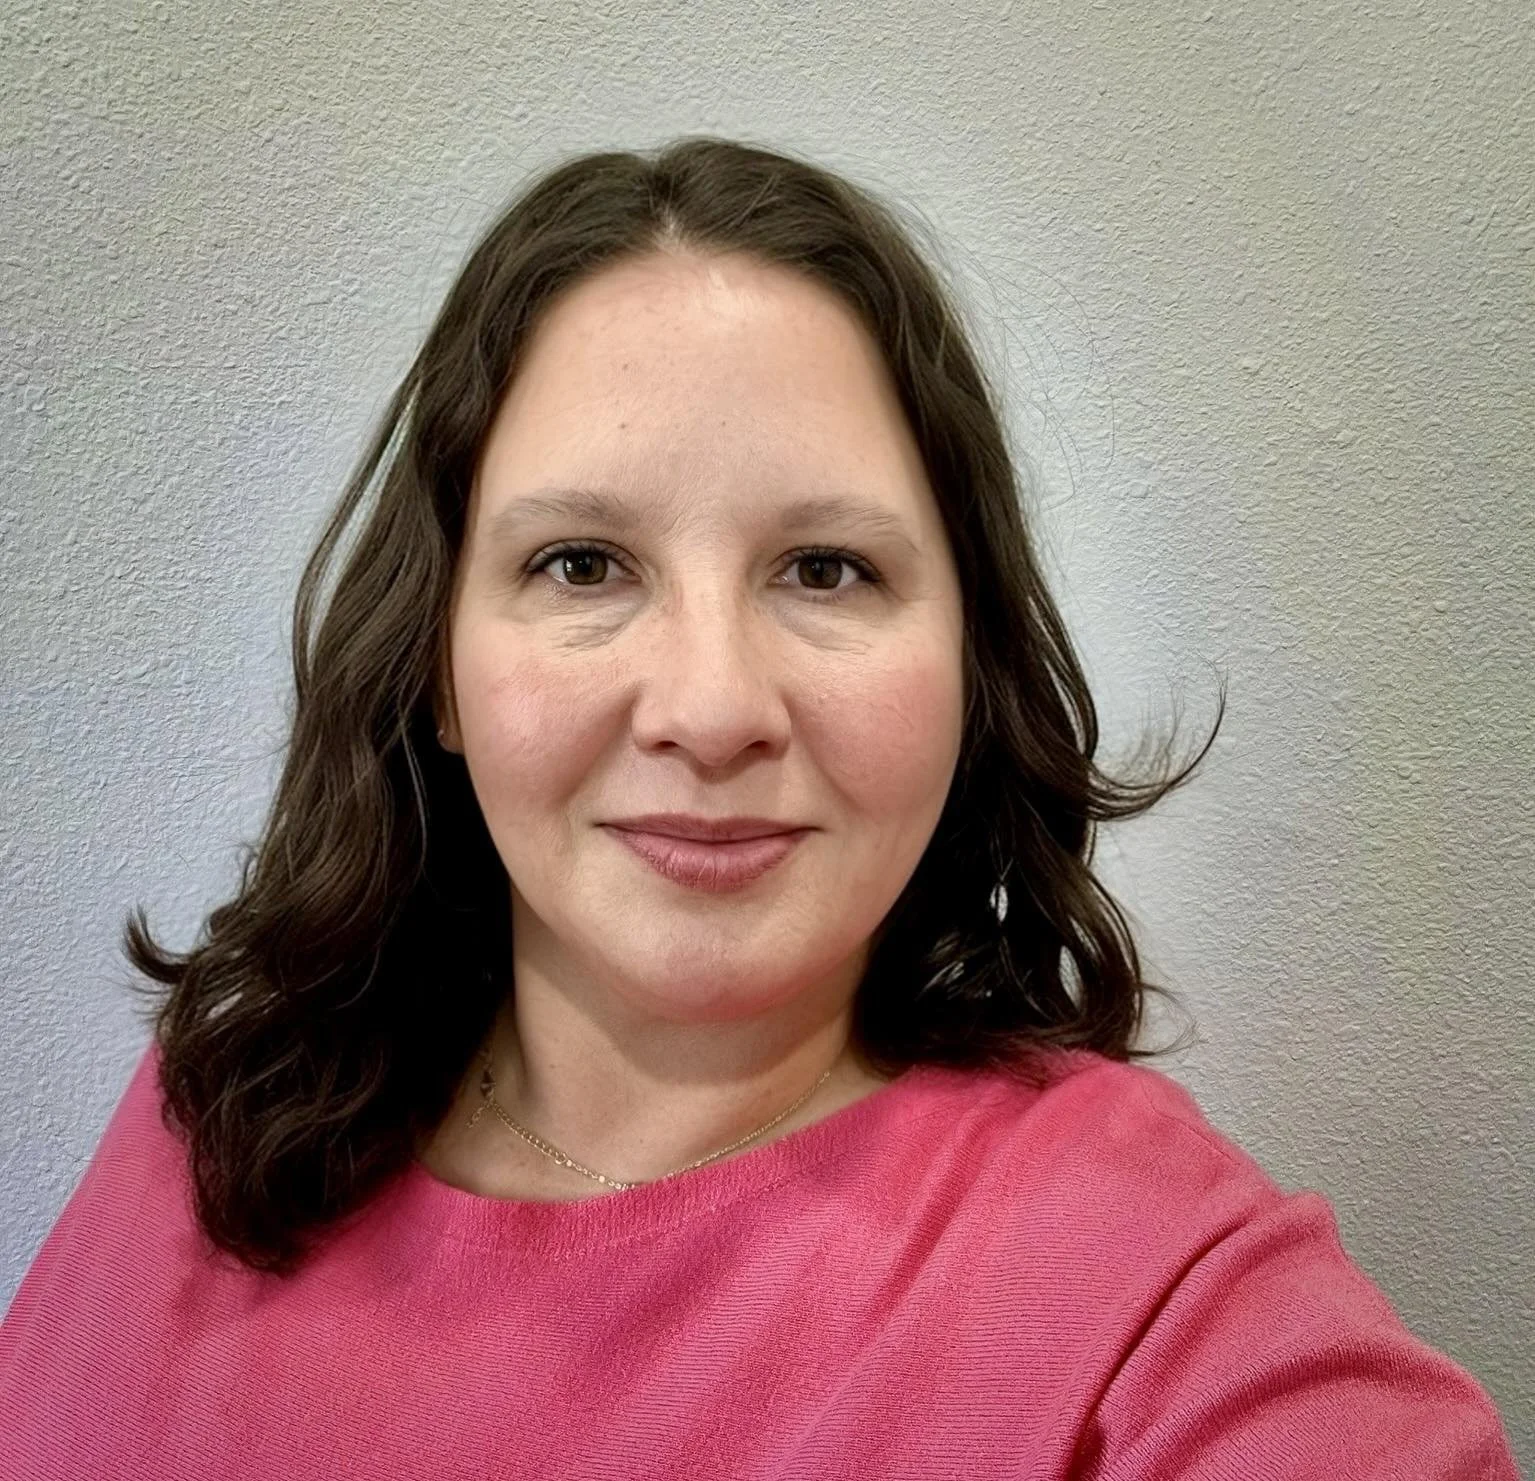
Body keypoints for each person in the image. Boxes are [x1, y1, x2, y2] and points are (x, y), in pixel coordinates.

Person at [0, 135, 1519, 1479]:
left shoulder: (1157, 1302)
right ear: (438, 671)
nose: (712, 709)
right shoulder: (219, 1106)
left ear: (968, 663)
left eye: (826, 570)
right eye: (582, 564)